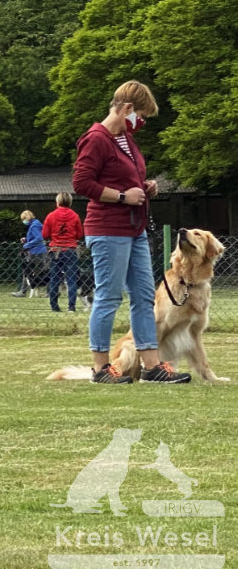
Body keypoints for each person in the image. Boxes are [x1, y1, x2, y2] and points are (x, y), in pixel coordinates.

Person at [72, 80, 189, 384]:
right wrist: (123, 197)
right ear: (126, 109)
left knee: (143, 297)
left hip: (134, 228)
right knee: (108, 297)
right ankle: (99, 369)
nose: (142, 123)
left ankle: (151, 366)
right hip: (108, 230)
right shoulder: (96, 138)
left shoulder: (126, 138)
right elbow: (82, 184)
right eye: (142, 116)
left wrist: (146, 187)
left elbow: (129, 176)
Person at [43, 192, 84, 312]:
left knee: (55, 279)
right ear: (70, 202)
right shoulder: (74, 216)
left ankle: (54, 306)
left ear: (57, 202)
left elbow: (45, 234)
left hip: (55, 250)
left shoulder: (51, 216)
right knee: (71, 280)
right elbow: (79, 234)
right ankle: (71, 306)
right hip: (71, 250)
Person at [11, 210, 48, 297]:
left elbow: (39, 238)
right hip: (39, 251)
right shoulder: (35, 224)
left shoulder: (34, 226)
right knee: (42, 272)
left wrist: (26, 245)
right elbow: (36, 238)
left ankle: (23, 291)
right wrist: (26, 239)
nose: (23, 221)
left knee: (28, 272)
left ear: (26, 218)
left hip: (36, 252)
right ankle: (49, 291)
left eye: (23, 219)